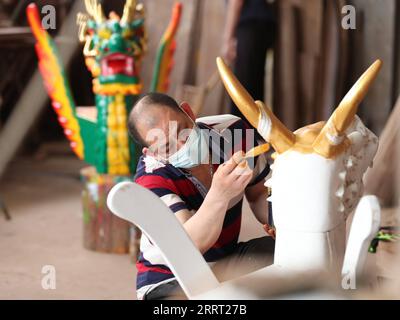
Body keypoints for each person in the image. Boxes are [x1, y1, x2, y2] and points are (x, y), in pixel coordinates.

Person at [128, 92, 274, 300]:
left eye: (182, 132)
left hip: (225, 262)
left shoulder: (234, 132)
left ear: (188, 112)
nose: (182, 146)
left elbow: (259, 192)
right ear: (152, 153)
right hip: (170, 279)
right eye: (166, 147)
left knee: (292, 253)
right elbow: (189, 246)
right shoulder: (151, 180)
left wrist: (279, 223)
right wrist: (219, 194)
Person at [222, 0, 276, 120]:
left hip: (250, 25)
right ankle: (251, 137)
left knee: (242, 95)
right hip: (260, 25)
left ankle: (241, 137)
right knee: (253, 93)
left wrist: (228, 39)